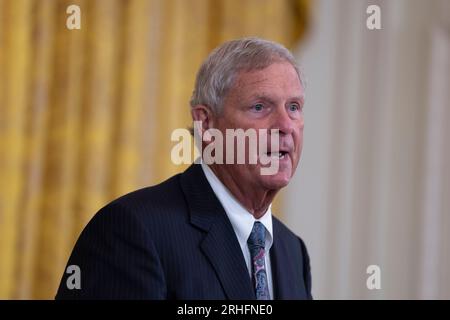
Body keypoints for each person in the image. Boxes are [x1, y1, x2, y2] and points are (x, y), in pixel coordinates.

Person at [55, 37, 312, 300]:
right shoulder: (132, 230)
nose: (285, 125)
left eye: (294, 107)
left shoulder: (292, 251)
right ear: (207, 124)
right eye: (259, 107)